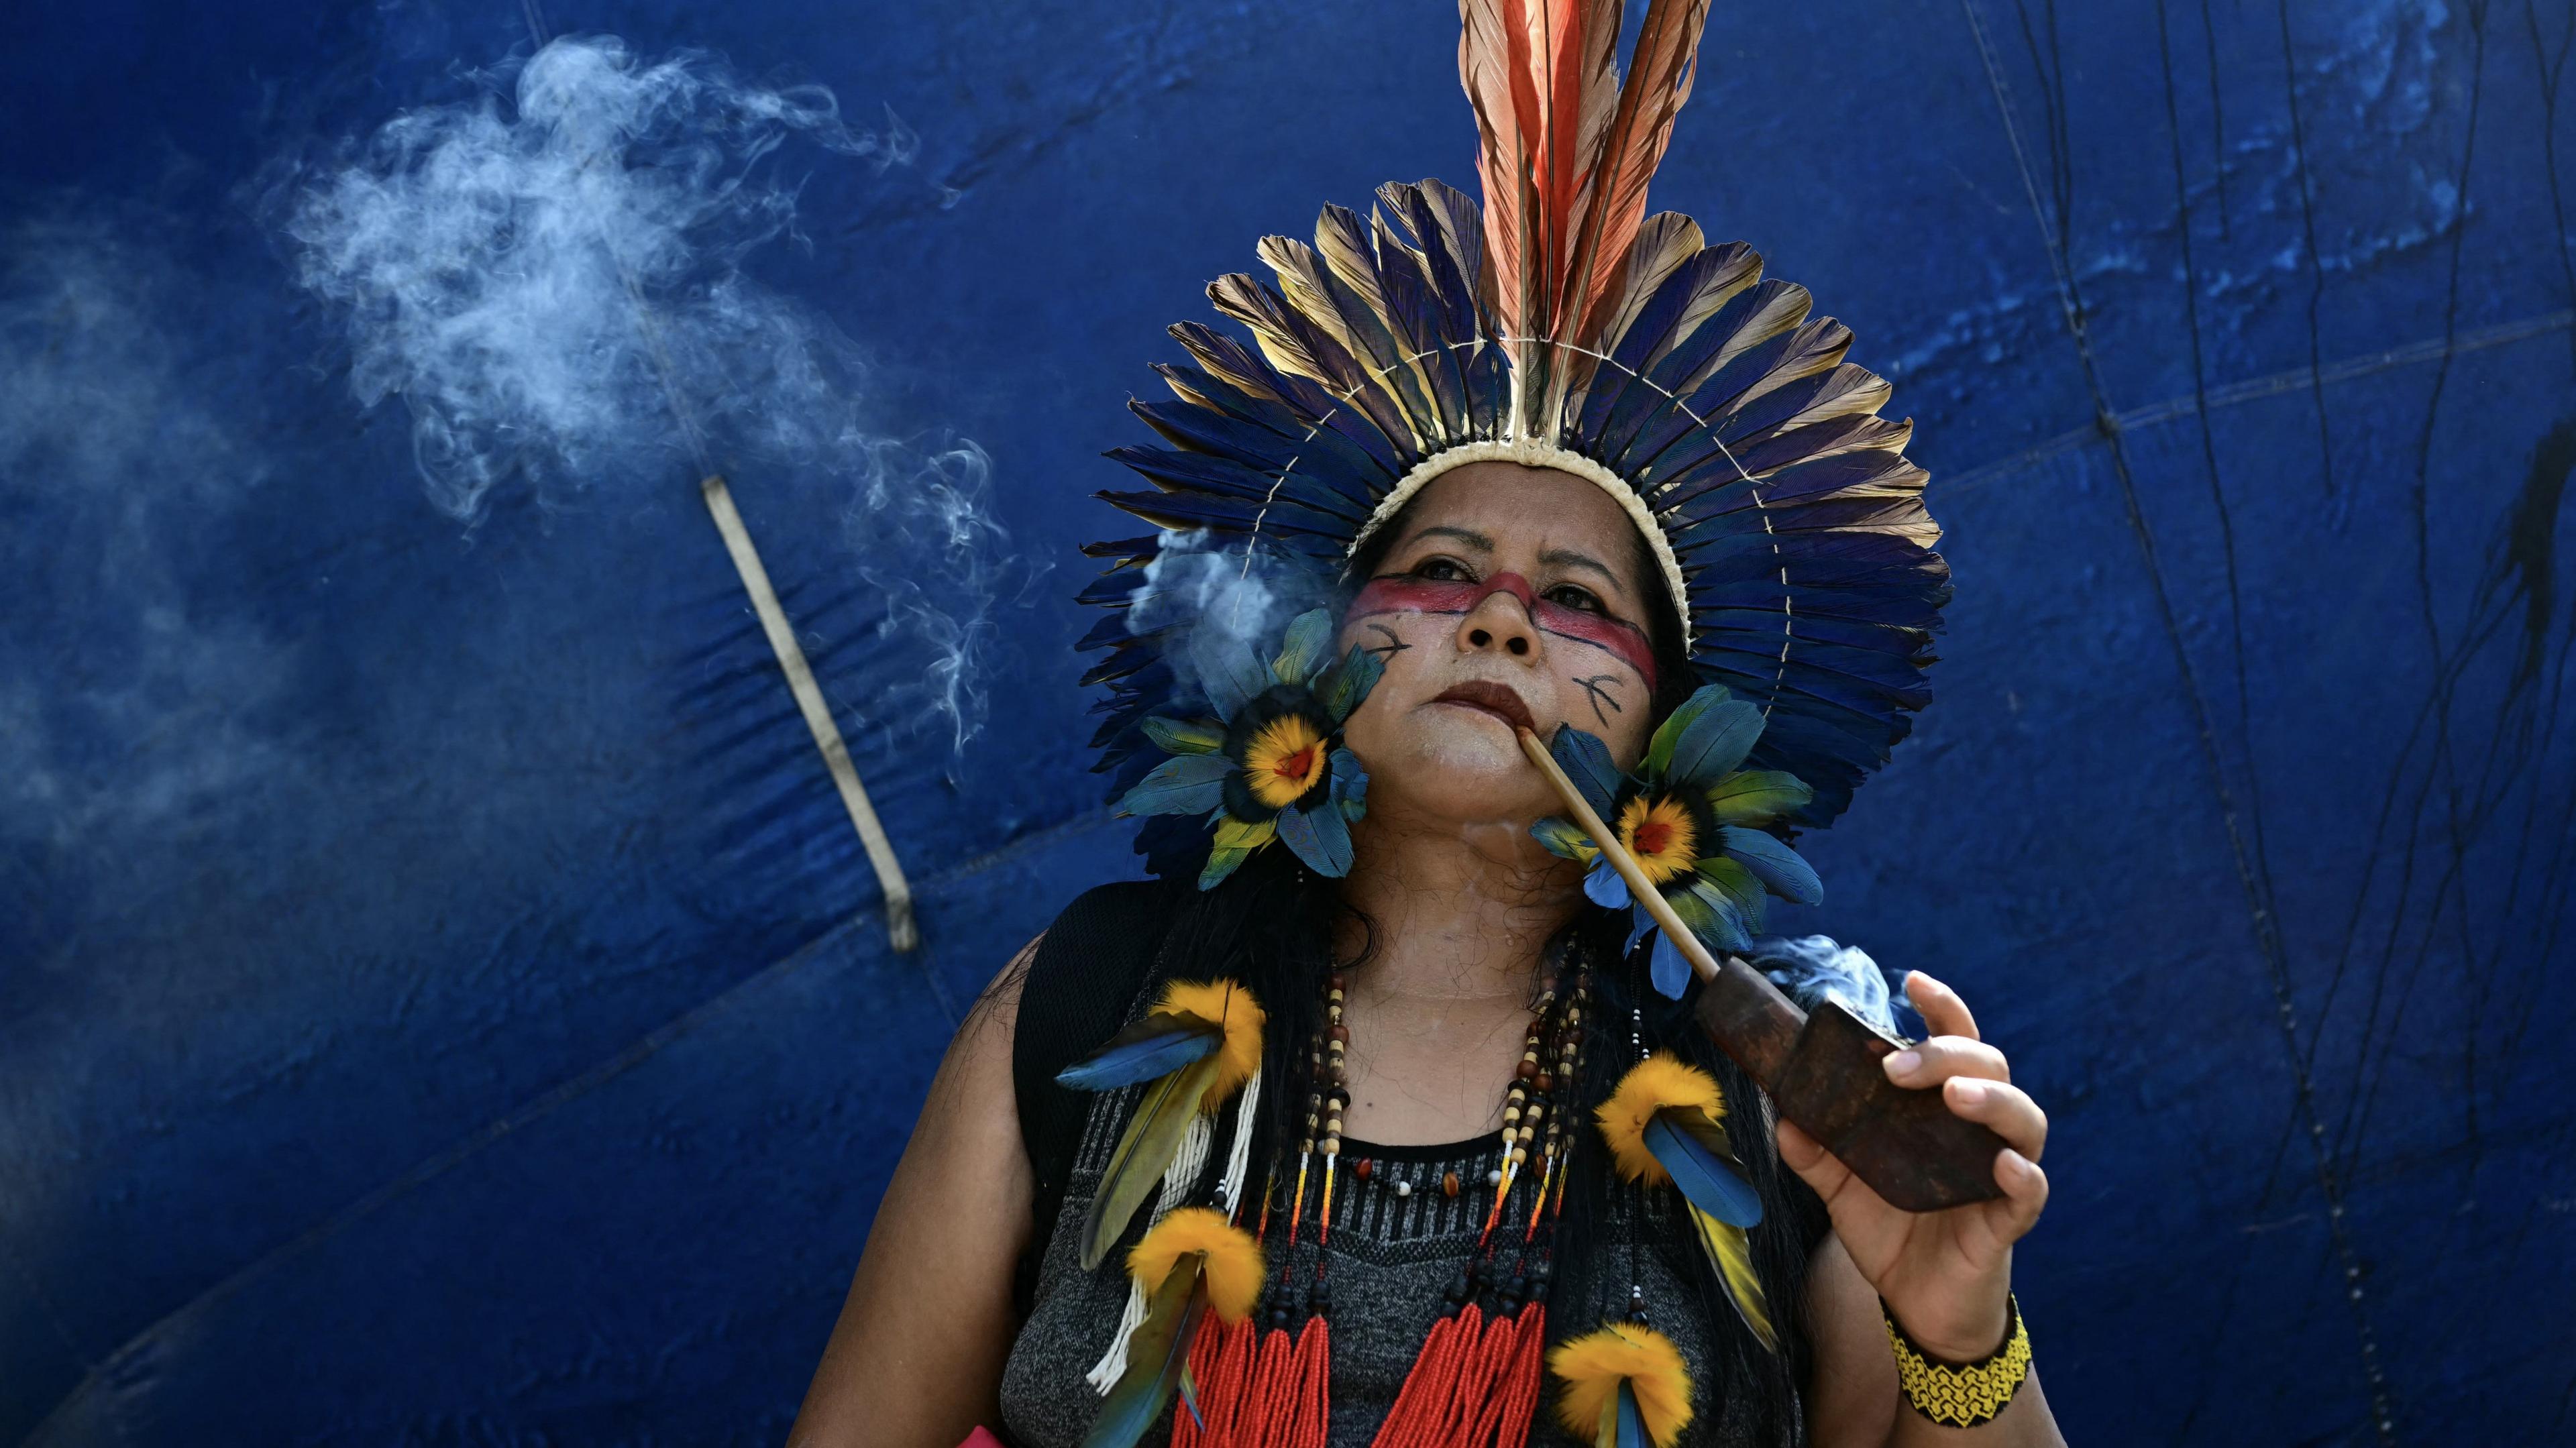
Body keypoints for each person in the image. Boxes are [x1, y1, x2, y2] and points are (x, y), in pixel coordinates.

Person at [792, 6, 2063, 1445]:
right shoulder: (1081, 998)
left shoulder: (1808, 1088)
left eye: (1576, 597)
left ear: (1662, 731)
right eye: (1444, 572)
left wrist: (1958, 1327)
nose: (1502, 618)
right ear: (1321, 659)